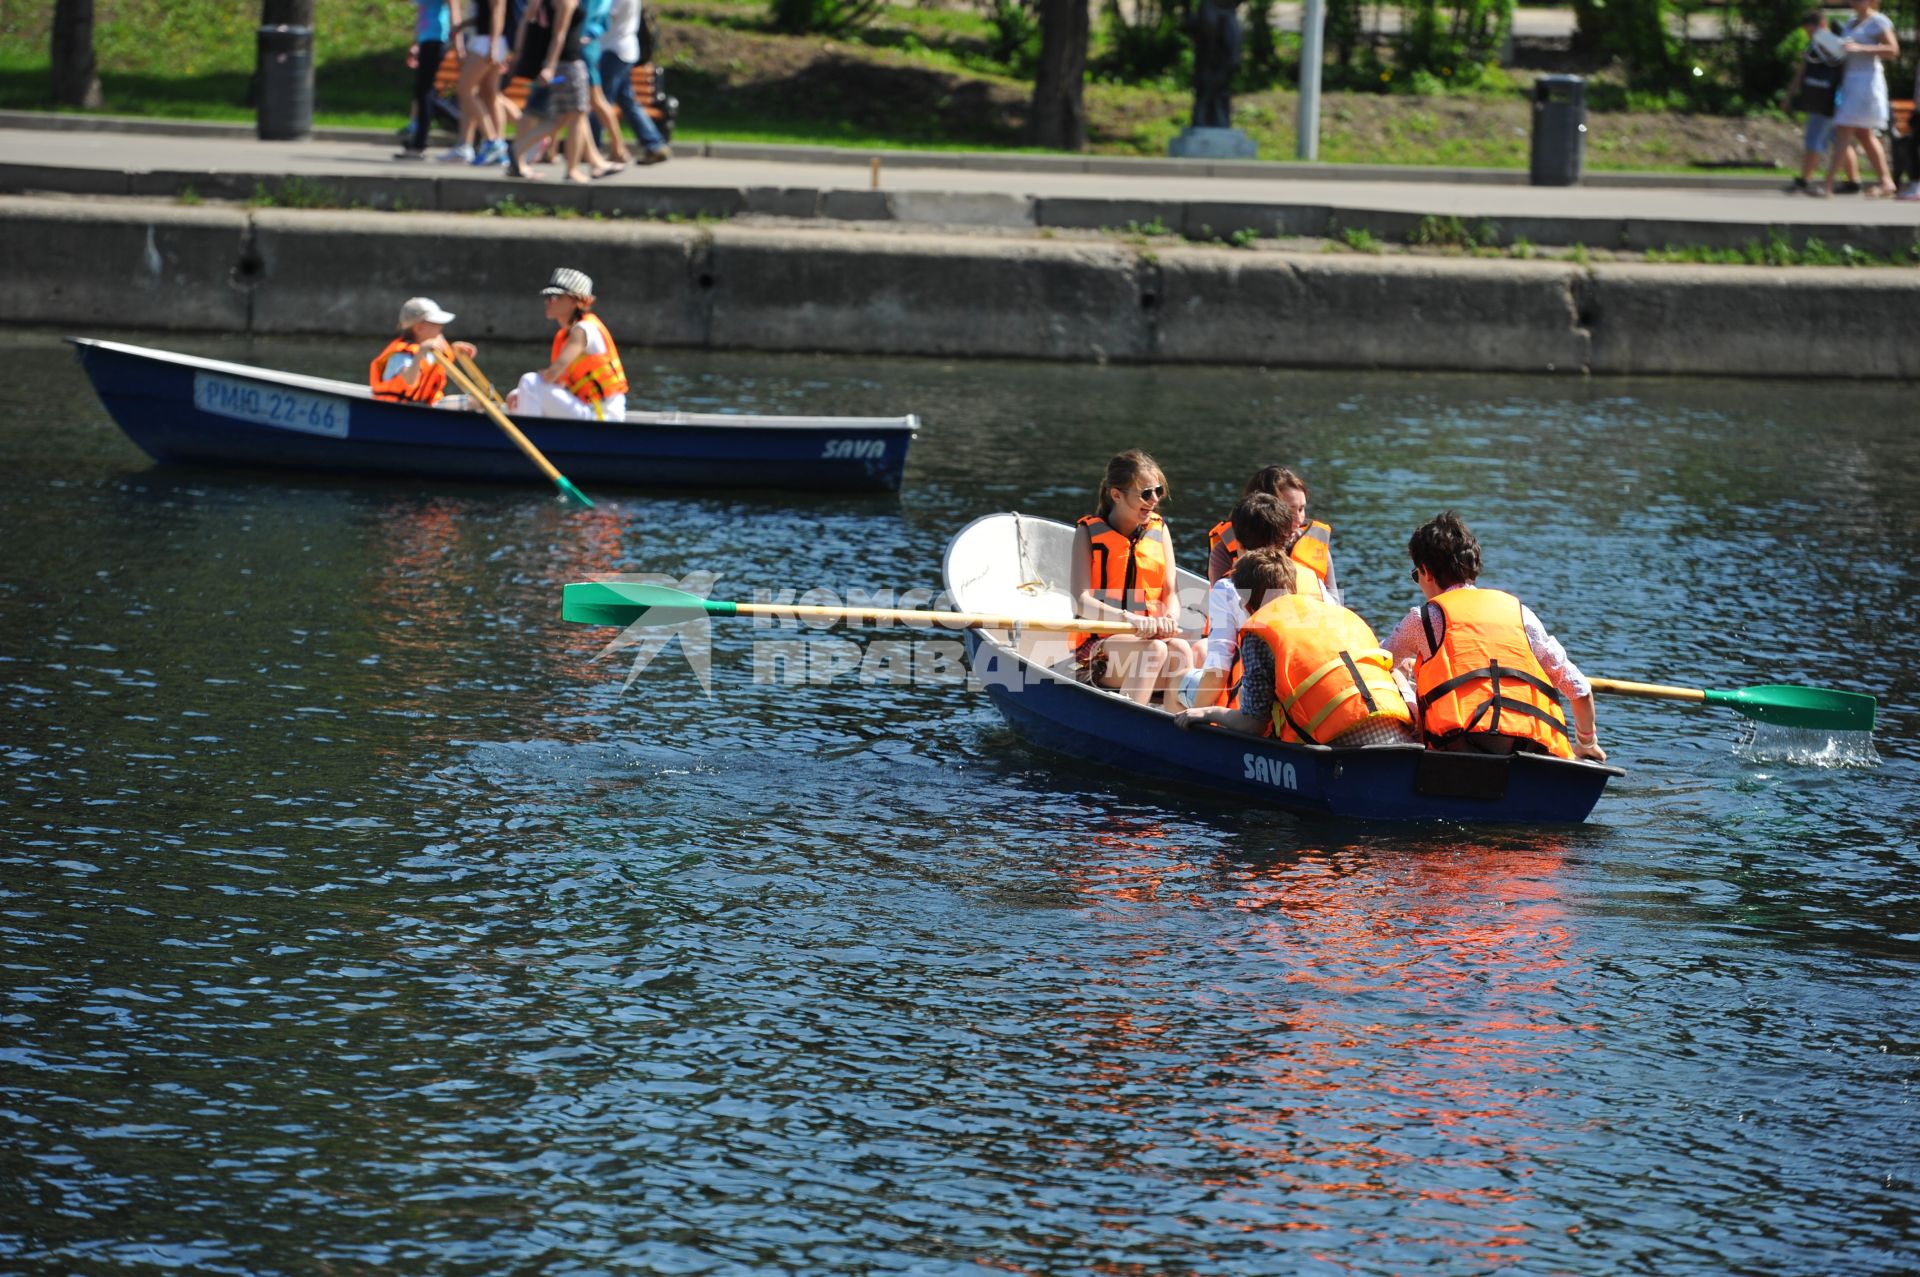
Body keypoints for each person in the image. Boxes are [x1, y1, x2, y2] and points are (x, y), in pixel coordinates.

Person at [1384, 511, 1607, 763]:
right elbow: (1580, 690)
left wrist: (1404, 679)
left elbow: (1378, 662)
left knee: (1395, 672)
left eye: (1416, 575)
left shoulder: (1423, 619)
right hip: (1531, 752)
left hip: (1455, 751)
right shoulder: (1522, 615)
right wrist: (1587, 743)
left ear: (1426, 571)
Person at [1174, 548, 1418, 747]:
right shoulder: (1340, 615)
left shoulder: (1260, 632)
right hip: (1401, 737)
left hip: (1343, 752)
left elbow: (1253, 723)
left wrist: (1207, 713)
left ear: (1246, 602)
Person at [1070, 450, 1200, 706]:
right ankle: (1127, 723)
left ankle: (1176, 724)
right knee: (1155, 650)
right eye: (1145, 493)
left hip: (1147, 637)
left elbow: (1170, 592)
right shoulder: (1087, 533)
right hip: (1099, 647)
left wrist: (1171, 618)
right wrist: (1128, 619)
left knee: (1182, 650)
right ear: (1116, 495)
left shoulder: (1159, 528)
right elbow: (1080, 601)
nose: (1154, 500)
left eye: (1158, 491)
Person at [1175, 492, 1291, 712]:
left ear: (1237, 542)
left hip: (1250, 707)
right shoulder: (1314, 582)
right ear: (1286, 539)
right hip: (1302, 704)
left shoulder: (1229, 589)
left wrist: (1194, 714)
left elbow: (1218, 671)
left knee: (1177, 684)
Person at [506, 0, 616, 182]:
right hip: (569, 64)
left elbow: (527, 19)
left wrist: (519, 52)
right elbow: (559, 34)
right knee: (575, 115)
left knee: (564, 117)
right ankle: (570, 168)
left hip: (561, 64)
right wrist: (549, 66)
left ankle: (519, 149)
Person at [1206, 464, 1340, 604]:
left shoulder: (1316, 546)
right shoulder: (1225, 551)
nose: (1299, 519)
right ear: (1262, 508)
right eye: (1289, 511)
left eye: (1301, 509)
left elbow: (1336, 604)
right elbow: (1224, 607)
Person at [508, 268, 629, 420]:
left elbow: (551, 375)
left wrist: (526, 388)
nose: (548, 301)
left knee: (529, 381)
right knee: (525, 389)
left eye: (554, 296)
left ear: (574, 301)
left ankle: (531, 436)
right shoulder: (565, 335)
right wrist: (520, 393)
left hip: (601, 415)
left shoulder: (582, 330)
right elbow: (559, 384)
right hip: (587, 409)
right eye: (548, 297)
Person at [1822, 0, 1899, 198]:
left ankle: (1827, 185)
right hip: (1850, 82)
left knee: (1844, 131)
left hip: (1867, 82)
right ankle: (1886, 181)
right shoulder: (1849, 22)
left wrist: (1861, 48)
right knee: (1864, 135)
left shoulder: (1878, 21)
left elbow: (1892, 50)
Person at [1780, 10, 1859, 195]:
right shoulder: (1821, 45)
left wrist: (1789, 95)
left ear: (1822, 25)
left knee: (1814, 139)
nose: (1810, 35)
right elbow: (1802, 71)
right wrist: (1789, 95)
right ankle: (1853, 181)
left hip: (1826, 100)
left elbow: (1804, 72)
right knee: (1840, 141)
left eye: (1812, 31)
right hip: (1834, 100)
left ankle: (1804, 179)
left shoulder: (1832, 45)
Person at [597, 0, 671, 165]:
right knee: (627, 101)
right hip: (625, 50)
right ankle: (654, 144)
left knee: (601, 101)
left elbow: (606, 18)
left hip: (613, 51)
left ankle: (593, 146)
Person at [369, 297, 478, 405]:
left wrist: (455, 349)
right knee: (472, 405)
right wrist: (420, 353)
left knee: (475, 403)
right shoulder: (401, 355)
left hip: (425, 406)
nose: (441, 327)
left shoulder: (432, 348)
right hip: (398, 410)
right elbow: (409, 380)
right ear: (419, 329)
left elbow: (440, 358)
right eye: (436, 323)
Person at [445, 0, 510, 165]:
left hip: (487, 42)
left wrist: (493, 45)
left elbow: (498, 12)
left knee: (464, 90)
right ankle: (498, 150)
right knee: (490, 94)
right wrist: (461, 26)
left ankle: (492, 141)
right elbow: (484, 14)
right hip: (487, 40)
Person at [397, 0, 460, 161]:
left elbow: (454, 9)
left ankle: (420, 143)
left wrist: (458, 45)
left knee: (424, 92)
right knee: (423, 92)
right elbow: (421, 14)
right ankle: (419, 140)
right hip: (426, 40)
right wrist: (416, 43)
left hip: (437, 39)